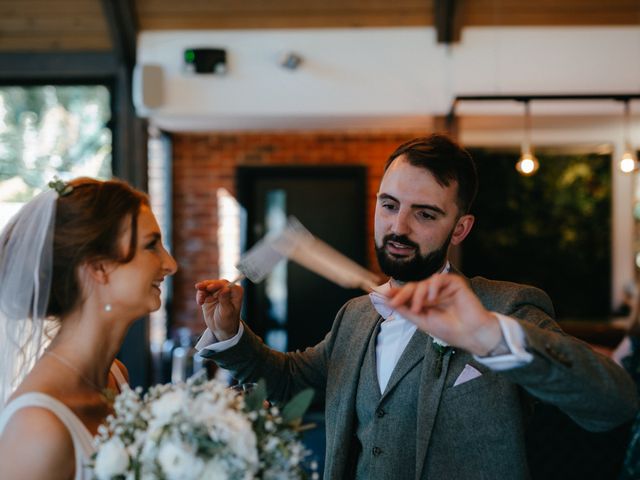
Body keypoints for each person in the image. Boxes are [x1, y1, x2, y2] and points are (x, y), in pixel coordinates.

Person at [195, 134, 638, 479]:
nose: (398, 227)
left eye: (425, 214)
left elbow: (613, 402)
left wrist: (487, 335)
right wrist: (231, 333)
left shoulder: (504, 307)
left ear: (460, 228)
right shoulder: (355, 316)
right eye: (389, 206)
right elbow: (290, 380)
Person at [0, 177, 177, 480]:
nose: (170, 264)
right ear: (98, 267)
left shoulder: (115, 377)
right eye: (151, 246)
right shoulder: (37, 428)